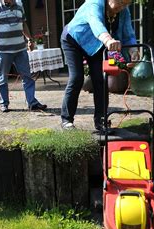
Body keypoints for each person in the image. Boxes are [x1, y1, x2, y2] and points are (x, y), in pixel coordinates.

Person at [60, 0, 139, 131]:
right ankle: (66, 120)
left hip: (96, 45)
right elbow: (96, 23)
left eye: (126, 4)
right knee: (77, 78)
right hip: (74, 39)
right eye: (120, 2)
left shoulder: (123, 11)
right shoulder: (95, 3)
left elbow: (128, 32)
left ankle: (101, 121)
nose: (122, 6)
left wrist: (133, 50)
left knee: (100, 80)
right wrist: (108, 39)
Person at [0, 0, 47, 112]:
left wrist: (29, 39)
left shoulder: (20, 4)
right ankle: (4, 103)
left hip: (20, 49)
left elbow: (23, 24)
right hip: (3, 51)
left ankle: (32, 102)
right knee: (3, 78)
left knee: (27, 76)